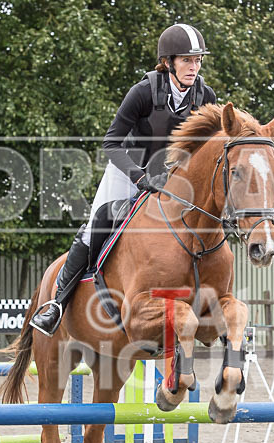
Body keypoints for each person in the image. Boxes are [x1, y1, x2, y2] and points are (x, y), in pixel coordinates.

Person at [30, 23, 217, 336]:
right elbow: (111, 142)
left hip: (172, 178)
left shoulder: (205, 95)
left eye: (197, 60)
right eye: (186, 60)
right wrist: (139, 177)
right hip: (129, 169)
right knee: (96, 225)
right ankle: (56, 304)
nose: (193, 67)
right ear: (168, 62)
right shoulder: (143, 92)